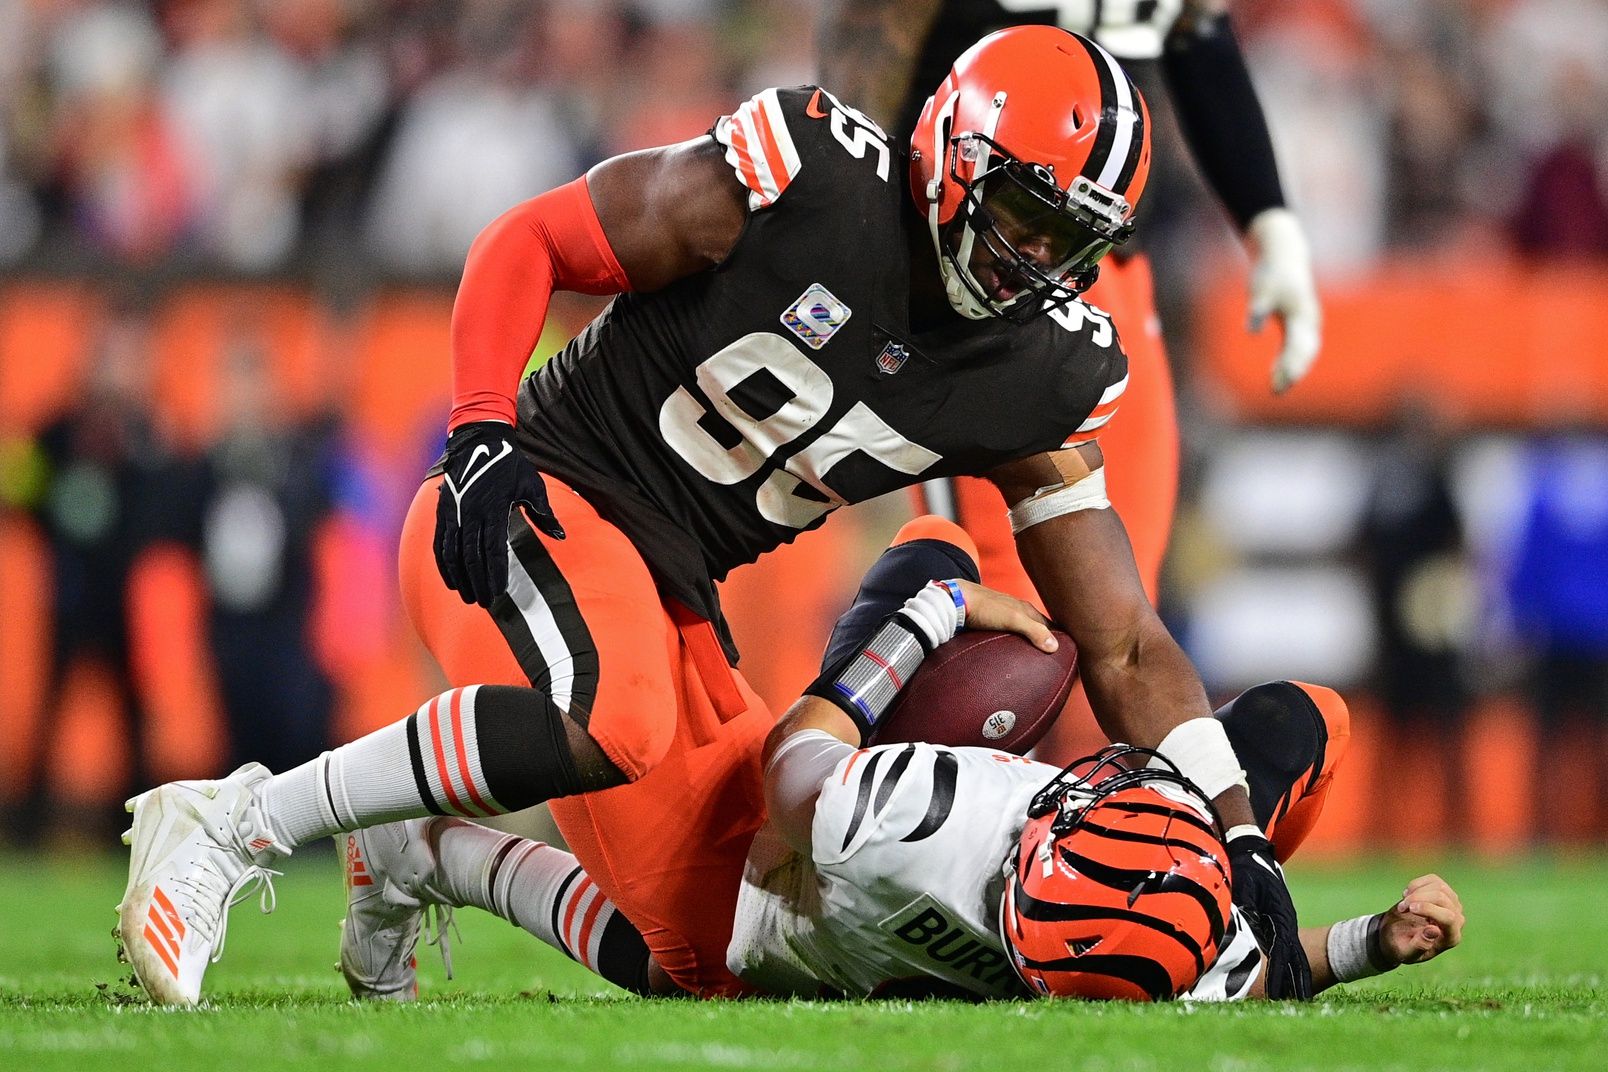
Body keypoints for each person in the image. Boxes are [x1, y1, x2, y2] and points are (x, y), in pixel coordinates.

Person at [117, 26, 1309, 1006]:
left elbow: (1125, 642)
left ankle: (428, 851)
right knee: (622, 718)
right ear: (955, 147)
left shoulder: (1040, 369)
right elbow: (526, 239)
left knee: (724, 947)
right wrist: (479, 426)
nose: (1030, 260)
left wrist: (1240, 830)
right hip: (541, 490)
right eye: (1021, 214)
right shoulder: (810, 180)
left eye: (1067, 242)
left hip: (677, 587)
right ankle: (230, 819)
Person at [333, 516, 1462, 1003]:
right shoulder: (1144, 941)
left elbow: (795, 771)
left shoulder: (924, 816)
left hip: (767, 912)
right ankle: (415, 845)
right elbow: (1262, 971)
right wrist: (1375, 941)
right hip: (817, 883)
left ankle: (419, 847)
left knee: (686, 951)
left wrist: (928, 620)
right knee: (1309, 720)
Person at [817, 0, 1324, 764]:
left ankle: (1098, 859)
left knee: (1121, 602)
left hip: (1105, 261)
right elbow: (871, 47)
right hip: (976, 257)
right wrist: (873, 249)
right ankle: (934, 847)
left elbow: (1195, 34)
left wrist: (1270, 221)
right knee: (998, 618)